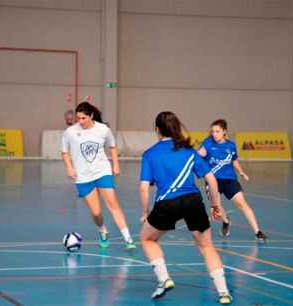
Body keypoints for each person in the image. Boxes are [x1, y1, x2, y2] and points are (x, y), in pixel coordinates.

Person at [139, 111, 233, 305]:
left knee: (147, 239)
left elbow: (143, 188)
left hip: (166, 203)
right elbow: (211, 179)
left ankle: (164, 279)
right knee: (207, 246)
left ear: (157, 130)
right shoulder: (190, 152)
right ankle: (224, 293)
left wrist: (145, 213)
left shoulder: (150, 154)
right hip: (192, 201)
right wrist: (216, 206)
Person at [62, 101, 136, 249]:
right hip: (83, 177)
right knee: (96, 213)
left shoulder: (103, 129)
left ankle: (128, 239)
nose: (80, 121)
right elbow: (65, 152)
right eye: (78, 118)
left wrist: (115, 164)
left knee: (113, 205)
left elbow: (112, 146)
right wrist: (69, 168)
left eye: (84, 118)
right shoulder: (70, 132)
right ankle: (102, 231)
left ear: (91, 116)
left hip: (102, 171)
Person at [198, 119, 267, 242]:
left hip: (229, 179)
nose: (214, 134)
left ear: (224, 131)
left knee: (242, 203)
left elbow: (234, 160)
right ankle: (225, 221)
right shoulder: (208, 143)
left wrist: (241, 172)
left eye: (217, 131)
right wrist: (195, 154)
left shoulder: (231, 145)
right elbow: (201, 153)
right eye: (213, 131)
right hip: (213, 181)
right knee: (217, 207)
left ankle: (257, 231)